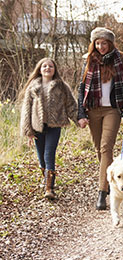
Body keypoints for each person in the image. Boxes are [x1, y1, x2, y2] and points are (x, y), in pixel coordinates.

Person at [77, 27, 123, 210]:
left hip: (113, 110)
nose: (100, 46)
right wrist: (81, 114)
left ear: (110, 43)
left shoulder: (121, 60)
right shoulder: (89, 60)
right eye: (97, 43)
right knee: (100, 150)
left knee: (106, 148)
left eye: (104, 43)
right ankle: (112, 177)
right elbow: (81, 88)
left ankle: (102, 192)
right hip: (93, 109)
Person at [20, 58, 78, 200]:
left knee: (49, 153)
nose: (47, 68)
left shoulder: (61, 86)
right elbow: (26, 109)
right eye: (44, 66)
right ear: (40, 69)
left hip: (54, 125)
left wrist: (79, 119)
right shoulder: (33, 87)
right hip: (37, 126)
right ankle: (46, 179)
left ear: (54, 69)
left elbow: (70, 104)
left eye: (50, 66)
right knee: (41, 158)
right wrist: (28, 131)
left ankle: (49, 188)